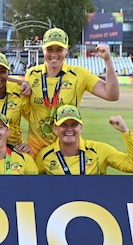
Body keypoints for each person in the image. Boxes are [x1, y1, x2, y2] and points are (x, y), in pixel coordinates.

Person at [21, 27, 119, 156]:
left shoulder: (80, 74)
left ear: (66, 50)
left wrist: (107, 60)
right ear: (43, 49)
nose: (54, 54)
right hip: (36, 153)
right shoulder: (32, 74)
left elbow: (112, 95)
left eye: (59, 49)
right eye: (49, 49)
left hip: (65, 153)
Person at [37, 105, 133, 175]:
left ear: (81, 128)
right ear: (55, 128)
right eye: (64, 125)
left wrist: (125, 132)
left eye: (74, 125)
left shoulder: (99, 150)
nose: (69, 129)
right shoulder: (44, 155)